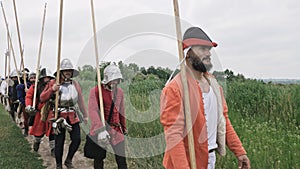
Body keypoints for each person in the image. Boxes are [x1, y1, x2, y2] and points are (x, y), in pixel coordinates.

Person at [160, 27, 250, 169]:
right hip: (186, 162)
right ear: (188, 53)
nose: (208, 53)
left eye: (209, 49)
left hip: (209, 159)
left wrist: (239, 151)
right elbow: (173, 136)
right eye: (202, 49)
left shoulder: (214, 84)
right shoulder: (175, 88)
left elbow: (223, 120)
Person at [40, 58, 88, 169]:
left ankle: (68, 160)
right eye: (66, 70)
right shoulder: (53, 83)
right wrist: (52, 89)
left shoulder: (75, 84)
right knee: (59, 143)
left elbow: (80, 100)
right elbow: (42, 98)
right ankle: (58, 165)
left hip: (72, 115)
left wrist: (85, 115)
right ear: (61, 71)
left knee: (77, 140)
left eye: (69, 70)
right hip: (58, 116)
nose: (68, 72)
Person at [88, 63, 127, 169]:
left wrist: (123, 127)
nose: (115, 82)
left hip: (116, 129)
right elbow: (92, 111)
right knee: (99, 158)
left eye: (117, 80)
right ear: (107, 78)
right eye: (113, 79)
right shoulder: (96, 91)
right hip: (101, 129)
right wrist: (101, 129)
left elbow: (121, 111)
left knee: (121, 159)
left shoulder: (119, 92)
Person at [25, 68, 55, 155]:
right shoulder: (36, 87)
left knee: (52, 131)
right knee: (38, 131)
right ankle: (37, 142)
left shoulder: (54, 86)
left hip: (51, 111)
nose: (48, 79)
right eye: (46, 78)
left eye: (49, 78)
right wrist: (29, 105)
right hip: (40, 112)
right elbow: (29, 96)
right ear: (42, 78)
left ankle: (53, 149)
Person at [17, 70, 35, 136]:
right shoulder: (20, 86)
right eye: (31, 78)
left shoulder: (34, 85)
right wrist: (26, 104)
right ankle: (26, 130)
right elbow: (20, 97)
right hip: (25, 104)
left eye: (34, 78)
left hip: (35, 104)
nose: (33, 79)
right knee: (26, 118)